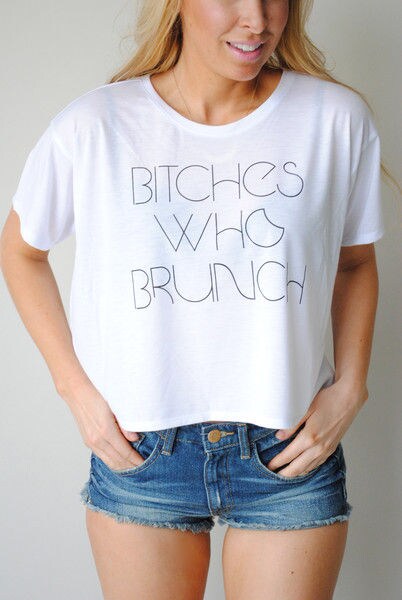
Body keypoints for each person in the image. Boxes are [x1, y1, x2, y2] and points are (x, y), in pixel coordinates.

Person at [1, 1, 396, 599]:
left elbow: (355, 262)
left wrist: (350, 387)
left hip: (287, 452)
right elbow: (21, 253)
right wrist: (75, 390)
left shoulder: (334, 118)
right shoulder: (95, 125)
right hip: (142, 452)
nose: (257, 19)